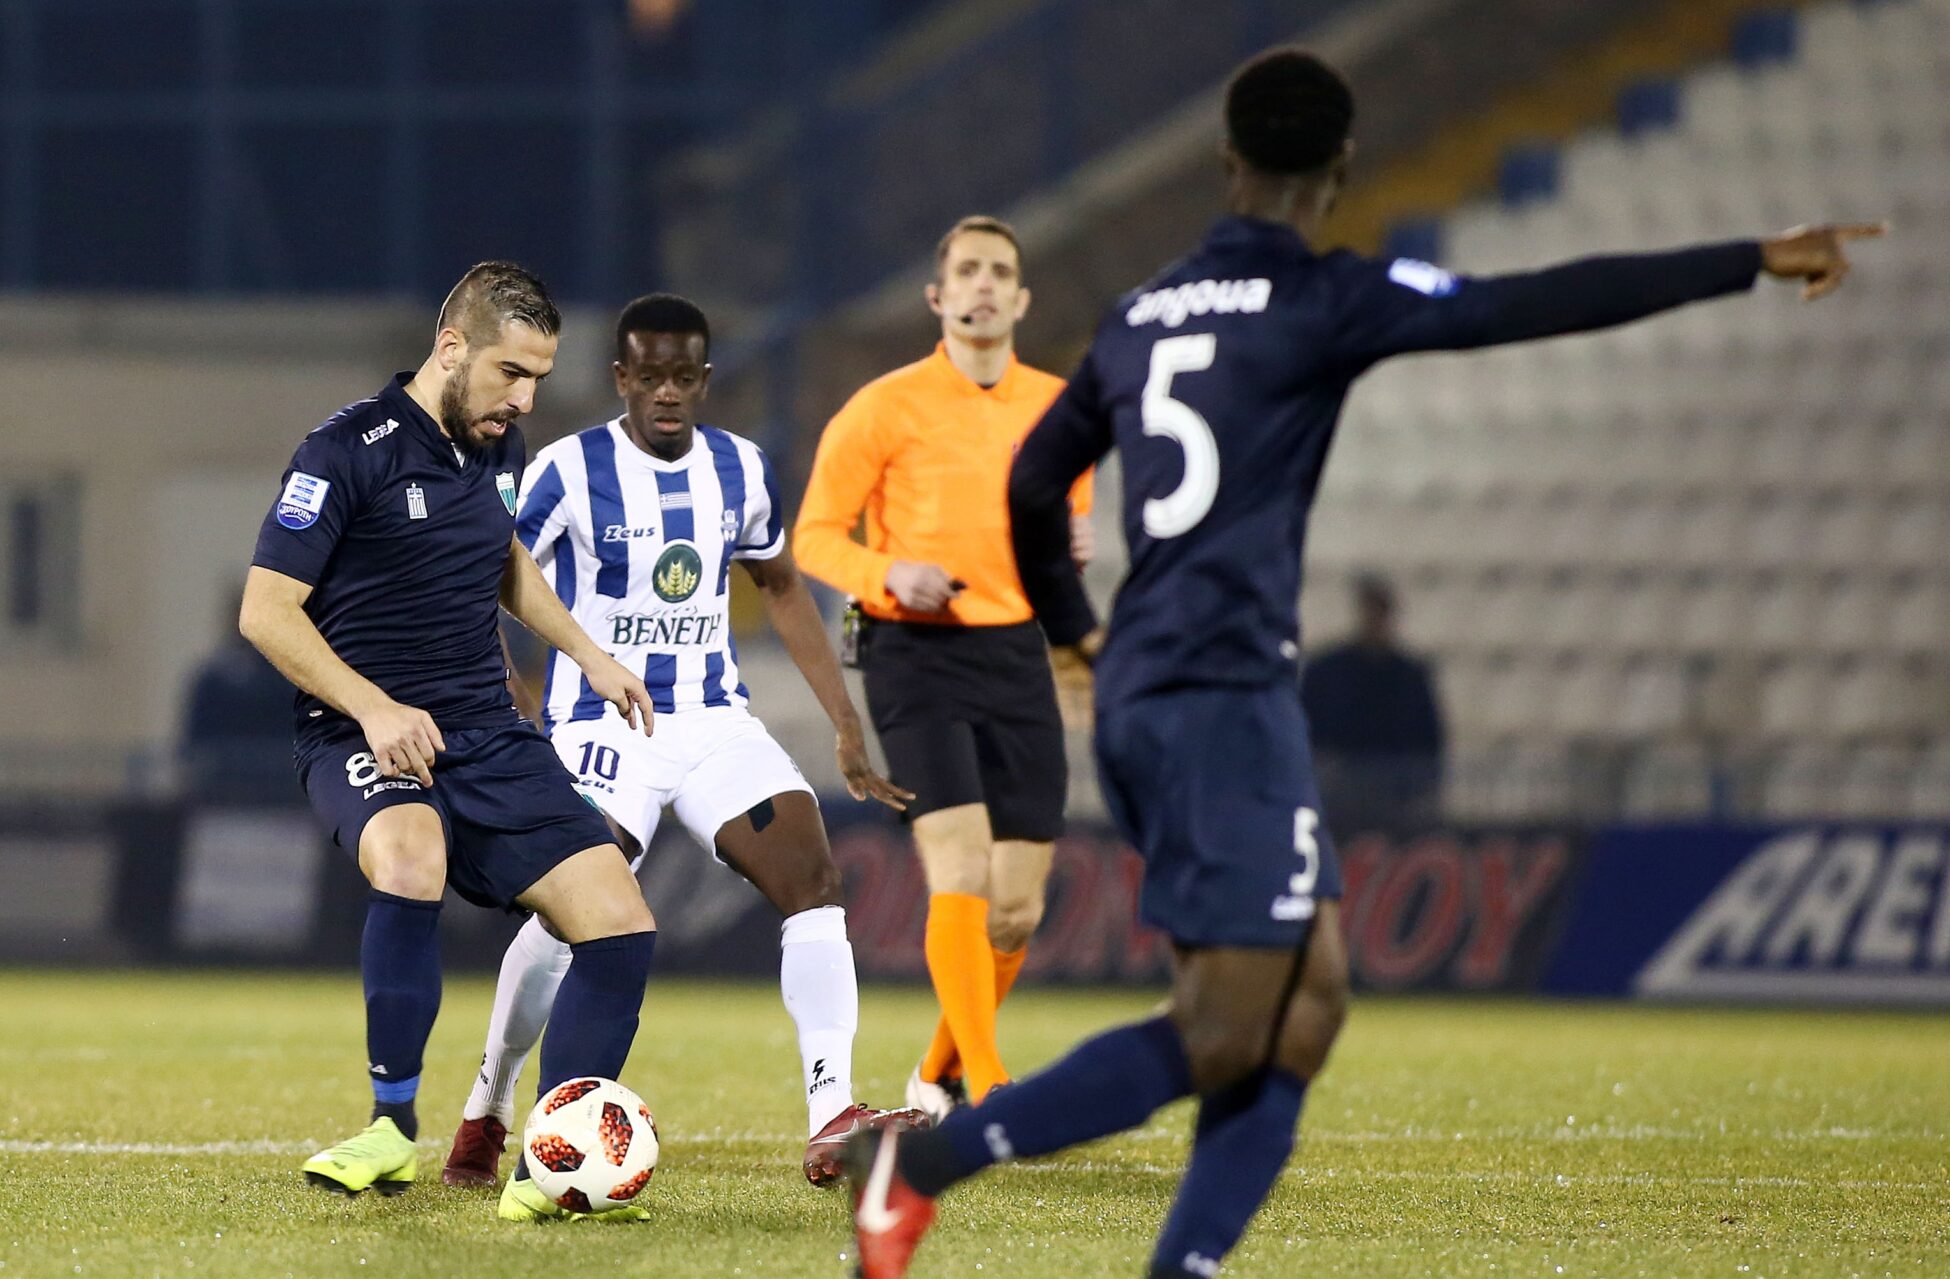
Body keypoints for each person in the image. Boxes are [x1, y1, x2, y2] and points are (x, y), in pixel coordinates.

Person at [842, 46, 1881, 1279]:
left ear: (1228, 161)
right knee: (1228, 1025)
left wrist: (1078, 630)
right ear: (1340, 168)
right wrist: (1751, 257)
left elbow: (1030, 484)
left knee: (1307, 1004)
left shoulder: (1143, 312)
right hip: (1218, 700)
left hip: (1181, 692)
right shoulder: (1324, 294)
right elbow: (1530, 301)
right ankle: (924, 1168)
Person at [440, 293, 924, 1192]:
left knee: (813, 878)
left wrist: (844, 718)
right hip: (601, 721)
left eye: (683, 376)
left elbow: (782, 586)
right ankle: (490, 1105)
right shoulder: (569, 468)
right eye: (649, 375)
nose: (666, 391)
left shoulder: (741, 467)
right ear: (622, 377)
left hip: (711, 719)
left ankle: (831, 1111)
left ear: (705, 380)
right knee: (573, 910)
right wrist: (511, 691)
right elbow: (485, 571)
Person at [242, 261, 666, 1223]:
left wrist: (589, 655)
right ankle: (392, 1129)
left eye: (538, 379)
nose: (524, 399)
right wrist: (374, 708)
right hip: (359, 729)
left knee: (621, 923)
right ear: (450, 348)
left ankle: (550, 1169)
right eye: (511, 372)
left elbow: (503, 558)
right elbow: (266, 612)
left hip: (488, 731)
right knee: (412, 854)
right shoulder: (343, 451)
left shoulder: (499, 446)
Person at [794, 215, 1095, 1117]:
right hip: (913, 652)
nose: (984, 284)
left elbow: (1066, 532)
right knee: (958, 864)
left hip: (1016, 651)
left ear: (1023, 298)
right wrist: (889, 574)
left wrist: (1071, 561)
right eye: (967, 270)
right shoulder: (883, 406)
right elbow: (815, 537)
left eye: (1000, 271)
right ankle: (993, 1085)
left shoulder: (1060, 409)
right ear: (937, 296)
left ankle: (936, 1075)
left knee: (1017, 909)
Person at [1299, 573, 1445, 830]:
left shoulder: (1410, 676)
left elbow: (1428, 737)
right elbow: (1307, 726)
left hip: (1396, 793)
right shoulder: (1327, 670)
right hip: (1339, 789)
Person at [180, 583, 297, 803]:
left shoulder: (292, 677)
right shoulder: (215, 678)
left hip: (285, 798)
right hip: (223, 795)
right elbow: (195, 742)